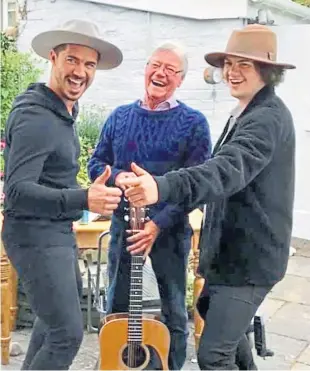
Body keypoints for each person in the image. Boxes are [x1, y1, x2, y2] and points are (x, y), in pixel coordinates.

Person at [121, 24, 296, 370]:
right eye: (229, 63)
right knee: (233, 350)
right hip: (231, 259)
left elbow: (224, 170)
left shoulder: (266, 119)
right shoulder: (247, 113)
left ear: (268, 71)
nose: (232, 72)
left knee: (214, 356)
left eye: (244, 65)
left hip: (249, 263)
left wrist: (161, 186)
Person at [1, 19, 123, 370]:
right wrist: (84, 198)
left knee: (51, 324)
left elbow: (50, 179)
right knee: (66, 334)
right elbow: (18, 191)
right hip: (34, 236)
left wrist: (83, 201)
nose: (80, 71)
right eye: (72, 60)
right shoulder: (36, 116)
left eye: (89, 64)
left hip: (55, 230)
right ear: (53, 58)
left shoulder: (63, 110)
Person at [87, 42, 212, 370]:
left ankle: (171, 365)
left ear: (181, 79)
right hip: (123, 229)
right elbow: (96, 163)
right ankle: (116, 364)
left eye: (170, 69)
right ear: (145, 70)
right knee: (117, 305)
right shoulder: (120, 117)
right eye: (155, 65)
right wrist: (120, 177)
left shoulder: (194, 123)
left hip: (169, 233)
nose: (160, 73)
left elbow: (197, 186)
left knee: (173, 308)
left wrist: (158, 224)